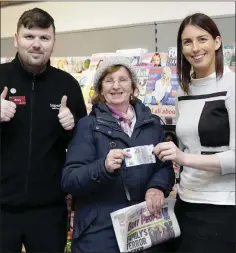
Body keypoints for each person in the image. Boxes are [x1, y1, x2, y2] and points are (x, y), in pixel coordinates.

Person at [61, 56, 175, 253]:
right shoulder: (88, 126)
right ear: (100, 89)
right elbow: (70, 179)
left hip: (144, 227)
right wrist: (102, 167)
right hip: (100, 233)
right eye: (109, 80)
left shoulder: (152, 123)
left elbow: (164, 167)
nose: (116, 86)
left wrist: (157, 187)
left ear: (132, 86)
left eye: (122, 79)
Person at [0, 8, 87, 253]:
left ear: (53, 42)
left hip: (48, 211)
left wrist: (73, 127)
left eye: (44, 38)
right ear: (16, 40)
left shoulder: (67, 84)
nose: (36, 44)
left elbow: (84, 144)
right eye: (29, 37)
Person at [153, 13, 235, 252]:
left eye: (202, 39)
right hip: (186, 202)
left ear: (217, 42)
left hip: (222, 207)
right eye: (187, 42)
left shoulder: (231, 86)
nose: (195, 48)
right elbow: (191, 144)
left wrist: (182, 158)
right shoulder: (184, 91)